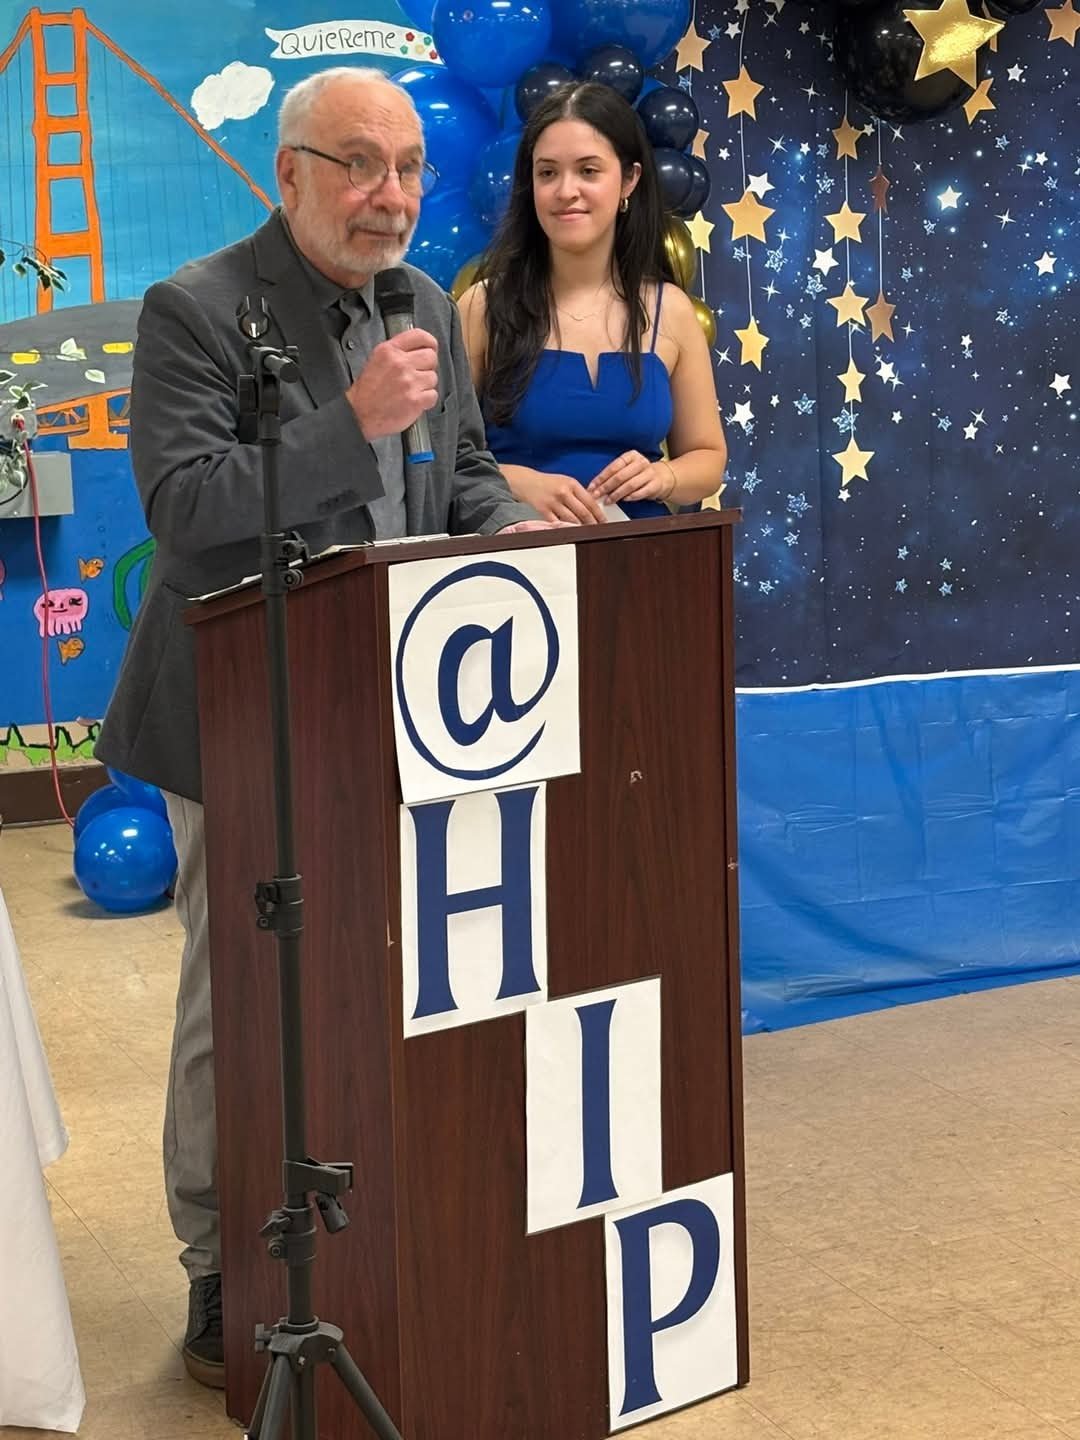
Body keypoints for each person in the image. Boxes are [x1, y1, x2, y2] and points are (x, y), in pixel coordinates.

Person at [94, 66, 546, 1390]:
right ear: (288, 172)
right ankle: (217, 1260)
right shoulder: (197, 309)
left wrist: (519, 537)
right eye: (358, 164)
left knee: (370, 990)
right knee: (237, 1001)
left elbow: (461, 478)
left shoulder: (424, 305)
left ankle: (358, 1237)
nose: (389, 195)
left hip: (400, 716)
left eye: (407, 167)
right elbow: (186, 509)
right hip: (241, 717)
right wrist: (351, 425)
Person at [459, 82, 727, 525]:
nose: (566, 191)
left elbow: (708, 457)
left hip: (646, 553)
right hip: (519, 555)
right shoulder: (483, 306)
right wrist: (517, 482)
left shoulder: (672, 310)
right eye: (547, 173)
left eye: (588, 171)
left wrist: (664, 476)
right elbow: (444, 459)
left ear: (629, 180)